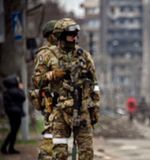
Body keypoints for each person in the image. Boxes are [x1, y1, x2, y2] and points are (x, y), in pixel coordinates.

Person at [32, 18, 100, 160]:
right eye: (71, 35)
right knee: (59, 154)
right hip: (59, 111)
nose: (74, 38)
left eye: (76, 35)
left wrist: (95, 108)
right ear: (61, 35)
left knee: (86, 153)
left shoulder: (84, 56)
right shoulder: (47, 55)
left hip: (82, 110)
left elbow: (94, 84)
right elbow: (36, 81)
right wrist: (51, 75)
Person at [30, 19, 57, 160]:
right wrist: (53, 75)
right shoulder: (44, 54)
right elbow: (37, 81)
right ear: (50, 35)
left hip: (64, 102)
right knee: (50, 136)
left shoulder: (62, 52)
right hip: (51, 102)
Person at [1, 75, 26, 154]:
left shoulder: (7, 91)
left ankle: (10, 148)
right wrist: (21, 89)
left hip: (12, 112)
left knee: (14, 130)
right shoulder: (15, 90)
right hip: (15, 113)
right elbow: (23, 97)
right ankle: (5, 147)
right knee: (14, 131)